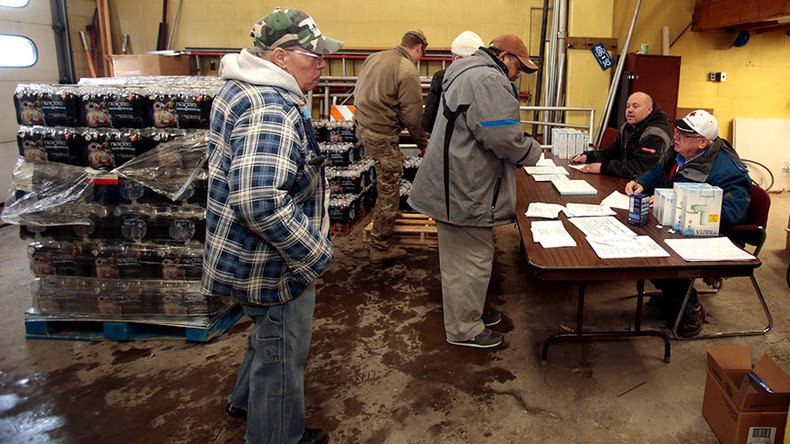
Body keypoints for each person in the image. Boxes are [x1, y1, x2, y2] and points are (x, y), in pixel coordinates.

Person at [202, 8, 340, 444]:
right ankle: (277, 435)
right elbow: (259, 201)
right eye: (313, 57)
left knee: (266, 333)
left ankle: (246, 401)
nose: (322, 65)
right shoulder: (271, 108)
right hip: (269, 263)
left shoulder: (240, 88)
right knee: (282, 348)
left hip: (240, 254)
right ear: (280, 57)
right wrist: (314, 253)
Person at [408, 35, 542, 348]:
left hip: (456, 183)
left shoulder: (467, 72)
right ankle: (464, 328)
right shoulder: (487, 79)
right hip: (463, 189)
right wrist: (534, 152)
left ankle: (471, 311)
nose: (517, 74)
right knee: (470, 261)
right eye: (518, 67)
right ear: (504, 55)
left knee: (465, 259)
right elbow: (503, 138)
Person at [625, 109, 751, 337]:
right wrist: (641, 182)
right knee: (641, 238)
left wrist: (678, 206)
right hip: (676, 223)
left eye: (684, 134)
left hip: (713, 234)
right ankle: (671, 294)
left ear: (703, 143)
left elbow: (732, 215)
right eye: (677, 131)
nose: (676, 136)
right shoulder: (677, 154)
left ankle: (690, 307)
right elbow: (656, 171)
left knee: (660, 250)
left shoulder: (728, 171)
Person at [353, 30, 430, 263]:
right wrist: (424, 144)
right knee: (390, 184)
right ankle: (380, 246)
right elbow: (413, 116)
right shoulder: (407, 71)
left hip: (363, 125)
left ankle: (382, 229)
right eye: (421, 55)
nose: (419, 60)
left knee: (385, 176)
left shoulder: (375, 57)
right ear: (418, 48)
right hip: (381, 133)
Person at [571, 92, 672, 178]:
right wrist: (588, 157)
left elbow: (640, 168)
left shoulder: (656, 134)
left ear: (649, 110)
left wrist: (603, 168)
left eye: (635, 106)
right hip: (626, 180)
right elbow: (613, 152)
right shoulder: (627, 127)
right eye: (627, 106)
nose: (630, 110)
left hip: (649, 188)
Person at [420, 31, 485, 133]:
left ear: (456, 58)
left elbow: (428, 123)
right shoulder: (488, 81)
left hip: (446, 142)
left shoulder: (441, 78)